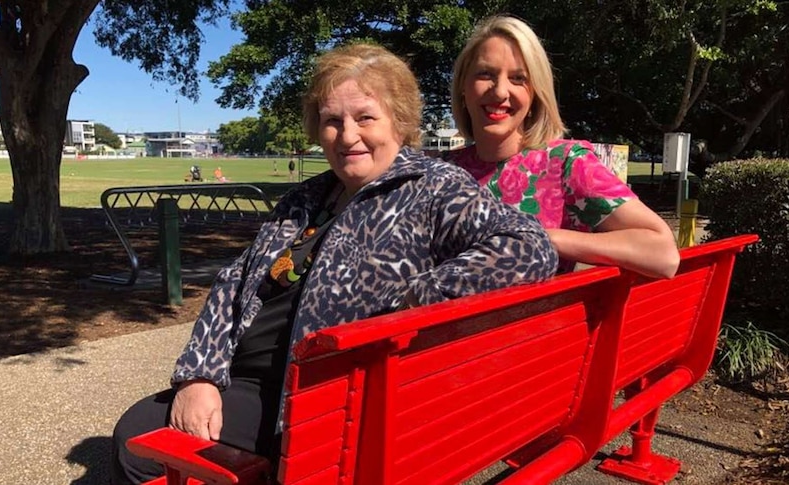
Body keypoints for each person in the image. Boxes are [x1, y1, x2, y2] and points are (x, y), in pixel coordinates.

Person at [111, 42, 558, 484]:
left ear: (399, 121)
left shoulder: (433, 187)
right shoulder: (308, 196)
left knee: (137, 440)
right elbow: (232, 283)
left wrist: (416, 301)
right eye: (332, 121)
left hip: (316, 402)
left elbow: (529, 246)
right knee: (143, 434)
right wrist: (199, 377)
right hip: (247, 378)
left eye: (365, 117)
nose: (347, 136)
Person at [443, 15, 680, 279]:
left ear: (535, 93)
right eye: (485, 74)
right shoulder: (439, 171)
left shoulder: (563, 163)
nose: (499, 91)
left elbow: (663, 254)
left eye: (518, 78)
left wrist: (544, 237)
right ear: (463, 86)